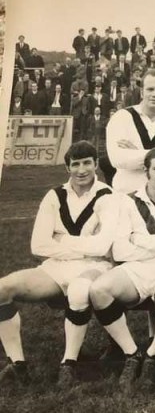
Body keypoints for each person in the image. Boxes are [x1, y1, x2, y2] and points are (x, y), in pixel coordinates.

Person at [0, 142, 115, 386]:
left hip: (96, 266)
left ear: (95, 164)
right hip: (57, 266)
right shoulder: (55, 195)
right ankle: (17, 364)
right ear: (67, 167)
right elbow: (38, 246)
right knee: (2, 289)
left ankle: (69, 363)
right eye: (75, 164)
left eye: (87, 163)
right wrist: (82, 245)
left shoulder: (108, 195)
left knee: (79, 291)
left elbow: (103, 247)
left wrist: (62, 240)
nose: (82, 170)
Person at [89, 147, 155, 391]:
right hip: (136, 267)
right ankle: (132, 353)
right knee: (99, 290)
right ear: (146, 171)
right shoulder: (128, 200)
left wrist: (141, 239)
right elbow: (121, 251)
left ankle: (152, 356)